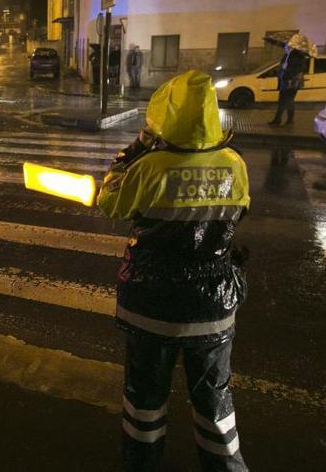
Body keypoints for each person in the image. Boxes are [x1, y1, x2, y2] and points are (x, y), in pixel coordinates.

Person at [96, 70, 251, 472]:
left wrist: (132, 152)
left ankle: (141, 464)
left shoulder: (150, 168)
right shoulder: (234, 163)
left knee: (145, 399)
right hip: (213, 306)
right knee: (215, 401)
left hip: (152, 306)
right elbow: (239, 214)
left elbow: (110, 202)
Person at [269, 39, 308, 126]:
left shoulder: (298, 56)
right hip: (284, 80)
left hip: (293, 81)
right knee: (282, 100)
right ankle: (277, 119)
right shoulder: (287, 55)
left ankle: (290, 120)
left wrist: (288, 71)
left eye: (287, 46)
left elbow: (300, 68)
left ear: (292, 46)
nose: (285, 47)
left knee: (289, 100)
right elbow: (283, 66)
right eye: (285, 46)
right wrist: (280, 71)